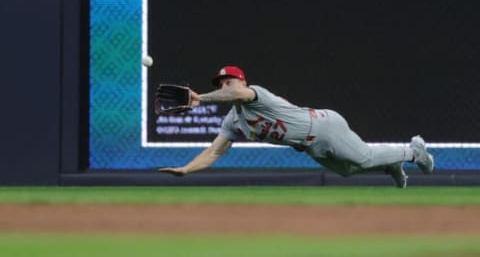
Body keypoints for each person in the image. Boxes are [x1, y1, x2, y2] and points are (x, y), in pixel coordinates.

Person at [159, 66, 434, 188]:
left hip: (325, 126)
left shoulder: (255, 94)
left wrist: (201, 97)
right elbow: (214, 153)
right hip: (309, 145)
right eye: (220, 83)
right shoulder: (232, 120)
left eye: (228, 81)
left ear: (241, 82)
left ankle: (413, 151)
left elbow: (237, 95)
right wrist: (186, 169)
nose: (224, 85)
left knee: (363, 157)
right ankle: (392, 165)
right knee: (349, 171)